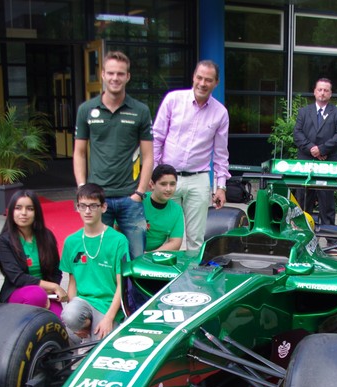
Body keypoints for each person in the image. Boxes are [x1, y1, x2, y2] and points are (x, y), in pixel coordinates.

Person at [73, 50, 152, 260]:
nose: (115, 78)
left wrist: (140, 193)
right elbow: (79, 152)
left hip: (130, 198)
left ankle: (132, 287)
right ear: (102, 74)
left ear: (128, 76)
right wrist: (82, 188)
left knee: (137, 257)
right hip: (97, 198)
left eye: (120, 73)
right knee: (97, 257)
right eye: (110, 73)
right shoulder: (86, 110)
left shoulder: (140, 111)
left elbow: (148, 156)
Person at [152, 60, 230, 251]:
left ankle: (194, 271)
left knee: (196, 240)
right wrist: (153, 174)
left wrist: (221, 187)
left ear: (216, 83)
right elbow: (157, 139)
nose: (202, 83)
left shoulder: (220, 113)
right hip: (168, 177)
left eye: (208, 80)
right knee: (164, 235)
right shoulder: (173, 100)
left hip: (198, 179)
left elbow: (221, 154)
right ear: (193, 77)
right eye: (199, 78)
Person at [59, 183, 129, 342]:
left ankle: (94, 331)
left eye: (93, 206)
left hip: (107, 305)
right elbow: (72, 282)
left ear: (103, 207)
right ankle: (86, 326)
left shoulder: (118, 240)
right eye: (82, 206)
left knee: (101, 345)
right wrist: (75, 323)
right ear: (77, 207)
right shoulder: (71, 241)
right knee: (69, 316)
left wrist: (109, 318)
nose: (87, 211)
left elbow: (121, 285)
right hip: (83, 301)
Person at [0, 190, 67, 316]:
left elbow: (56, 271)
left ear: (36, 212)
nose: (23, 213)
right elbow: (17, 277)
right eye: (18, 208)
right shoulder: (4, 240)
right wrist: (53, 287)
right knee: (36, 296)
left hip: (46, 292)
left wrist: (50, 289)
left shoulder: (47, 236)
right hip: (18, 291)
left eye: (29, 209)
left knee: (59, 320)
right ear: (11, 211)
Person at [293, 77, 337, 226]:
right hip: (305, 161)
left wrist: (322, 149)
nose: (322, 93)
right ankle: (302, 231)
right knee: (303, 201)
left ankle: (330, 234)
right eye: (320, 90)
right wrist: (312, 149)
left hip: (328, 162)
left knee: (327, 201)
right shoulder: (303, 112)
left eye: (326, 90)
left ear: (330, 93)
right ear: (314, 92)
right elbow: (297, 134)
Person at [144, 164, 184, 252]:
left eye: (172, 184)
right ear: (152, 184)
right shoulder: (139, 201)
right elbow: (118, 229)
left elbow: (175, 243)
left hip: (155, 255)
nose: (168, 189)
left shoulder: (177, 210)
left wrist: (149, 256)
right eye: (163, 184)